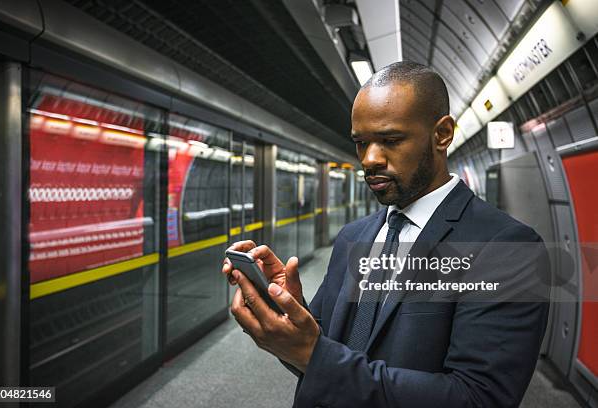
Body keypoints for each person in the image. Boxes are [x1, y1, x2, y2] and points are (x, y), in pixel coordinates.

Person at [222, 61, 550, 408]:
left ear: (442, 134)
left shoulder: (506, 247)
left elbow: (478, 398)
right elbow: (319, 358)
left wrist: (313, 354)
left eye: (390, 140)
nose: (370, 159)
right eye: (361, 143)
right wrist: (287, 311)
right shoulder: (353, 236)